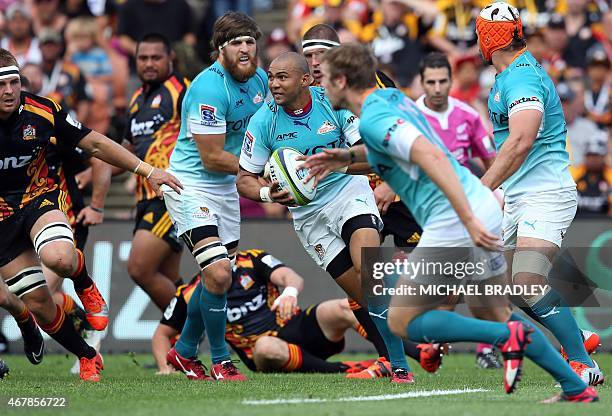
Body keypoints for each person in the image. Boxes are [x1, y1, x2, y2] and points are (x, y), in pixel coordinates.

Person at [301, 42, 598, 403]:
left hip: (454, 217)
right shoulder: (390, 101)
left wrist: (468, 218)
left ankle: (509, 341)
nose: (321, 88)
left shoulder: (375, 117)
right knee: (496, 312)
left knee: (402, 320)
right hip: (471, 209)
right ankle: (574, 386)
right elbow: (406, 143)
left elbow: (430, 155)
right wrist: (345, 156)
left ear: (343, 80)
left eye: (326, 80)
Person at [0, 47, 182, 382]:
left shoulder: (43, 110)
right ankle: (86, 355)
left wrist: (146, 170)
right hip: (2, 220)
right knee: (39, 304)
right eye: (1, 85)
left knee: (60, 259)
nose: (9, 91)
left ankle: (84, 283)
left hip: (40, 199)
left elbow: (96, 146)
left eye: (13, 82)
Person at [237, 52, 414, 383]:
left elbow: (374, 154)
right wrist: (266, 194)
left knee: (369, 271)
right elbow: (244, 179)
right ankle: (403, 344)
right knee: (364, 296)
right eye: (271, 77)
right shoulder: (263, 121)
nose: (274, 83)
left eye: (282, 77)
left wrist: (336, 164)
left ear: (306, 80)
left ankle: (400, 365)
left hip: (348, 193)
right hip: (308, 216)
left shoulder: (332, 103)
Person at [299, 25, 444, 376]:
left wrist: (390, 184)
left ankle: (505, 329)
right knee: (365, 282)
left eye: (322, 54)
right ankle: (391, 357)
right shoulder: (307, 92)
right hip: (355, 195)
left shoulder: (373, 83)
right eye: (309, 56)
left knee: (437, 276)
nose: (316, 63)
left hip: (397, 190)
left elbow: (402, 133)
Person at [476, 2, 603, 385]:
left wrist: (480, 191)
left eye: (481, 32)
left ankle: (583, 364)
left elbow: (521, 141)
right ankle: (577, 336)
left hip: (544, 193)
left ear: (490, 37)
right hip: (520, 195)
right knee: (505, 288)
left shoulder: (522, 78)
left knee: (527, 282)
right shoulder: (508, 77)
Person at [163, 12, 268, 382]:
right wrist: (267, 171)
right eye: (236, 42)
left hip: (225, 187)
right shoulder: (208, 88)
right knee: (220, 273)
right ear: (220, 48)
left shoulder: (260, 80)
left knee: (214, 279)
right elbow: (211, 157)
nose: (245, 49)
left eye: (250, 42)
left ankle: (184, 352)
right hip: (189, 184)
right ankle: (221, 360)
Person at [153, 249, 374, 375]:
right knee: (265, 346)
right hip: (263, 353)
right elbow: (162, 334)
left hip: (293, 326)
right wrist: (164, 368)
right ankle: (346, 369)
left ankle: (391, 356)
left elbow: (292, 278)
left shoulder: (251, 259)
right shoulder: (190, 293)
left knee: (343, 307)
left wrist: (289, 293)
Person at [119, 33, 189, 310]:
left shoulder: (184, 91)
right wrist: (92, 171)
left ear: (170, 58)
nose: (149, 63)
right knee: (170, 277)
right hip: (144, 196)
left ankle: (186, 328)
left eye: (156, 57)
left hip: (170, 194)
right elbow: (126, 148)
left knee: (140, 268)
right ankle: (186, 347)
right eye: (143, 58)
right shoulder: (137, 97)